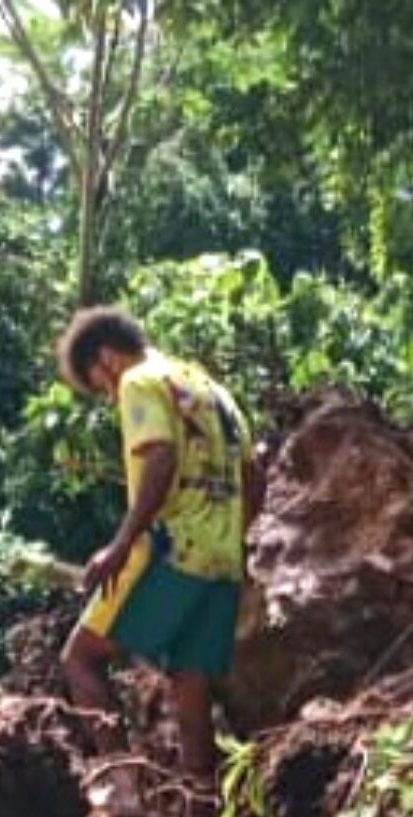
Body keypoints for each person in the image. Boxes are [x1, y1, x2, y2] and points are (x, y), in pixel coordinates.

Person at [56, 306, 259, 789]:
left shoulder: (139, 381)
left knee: (79, 660)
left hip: (169, 548)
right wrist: (234, 536)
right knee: (191, 679)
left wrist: (121, 543)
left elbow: (161, 455)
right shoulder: (211, 390)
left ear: (106, 357)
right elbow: (254, 476)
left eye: (99, 384)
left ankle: (124, 794)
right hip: (222, 560)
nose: (109, 395)